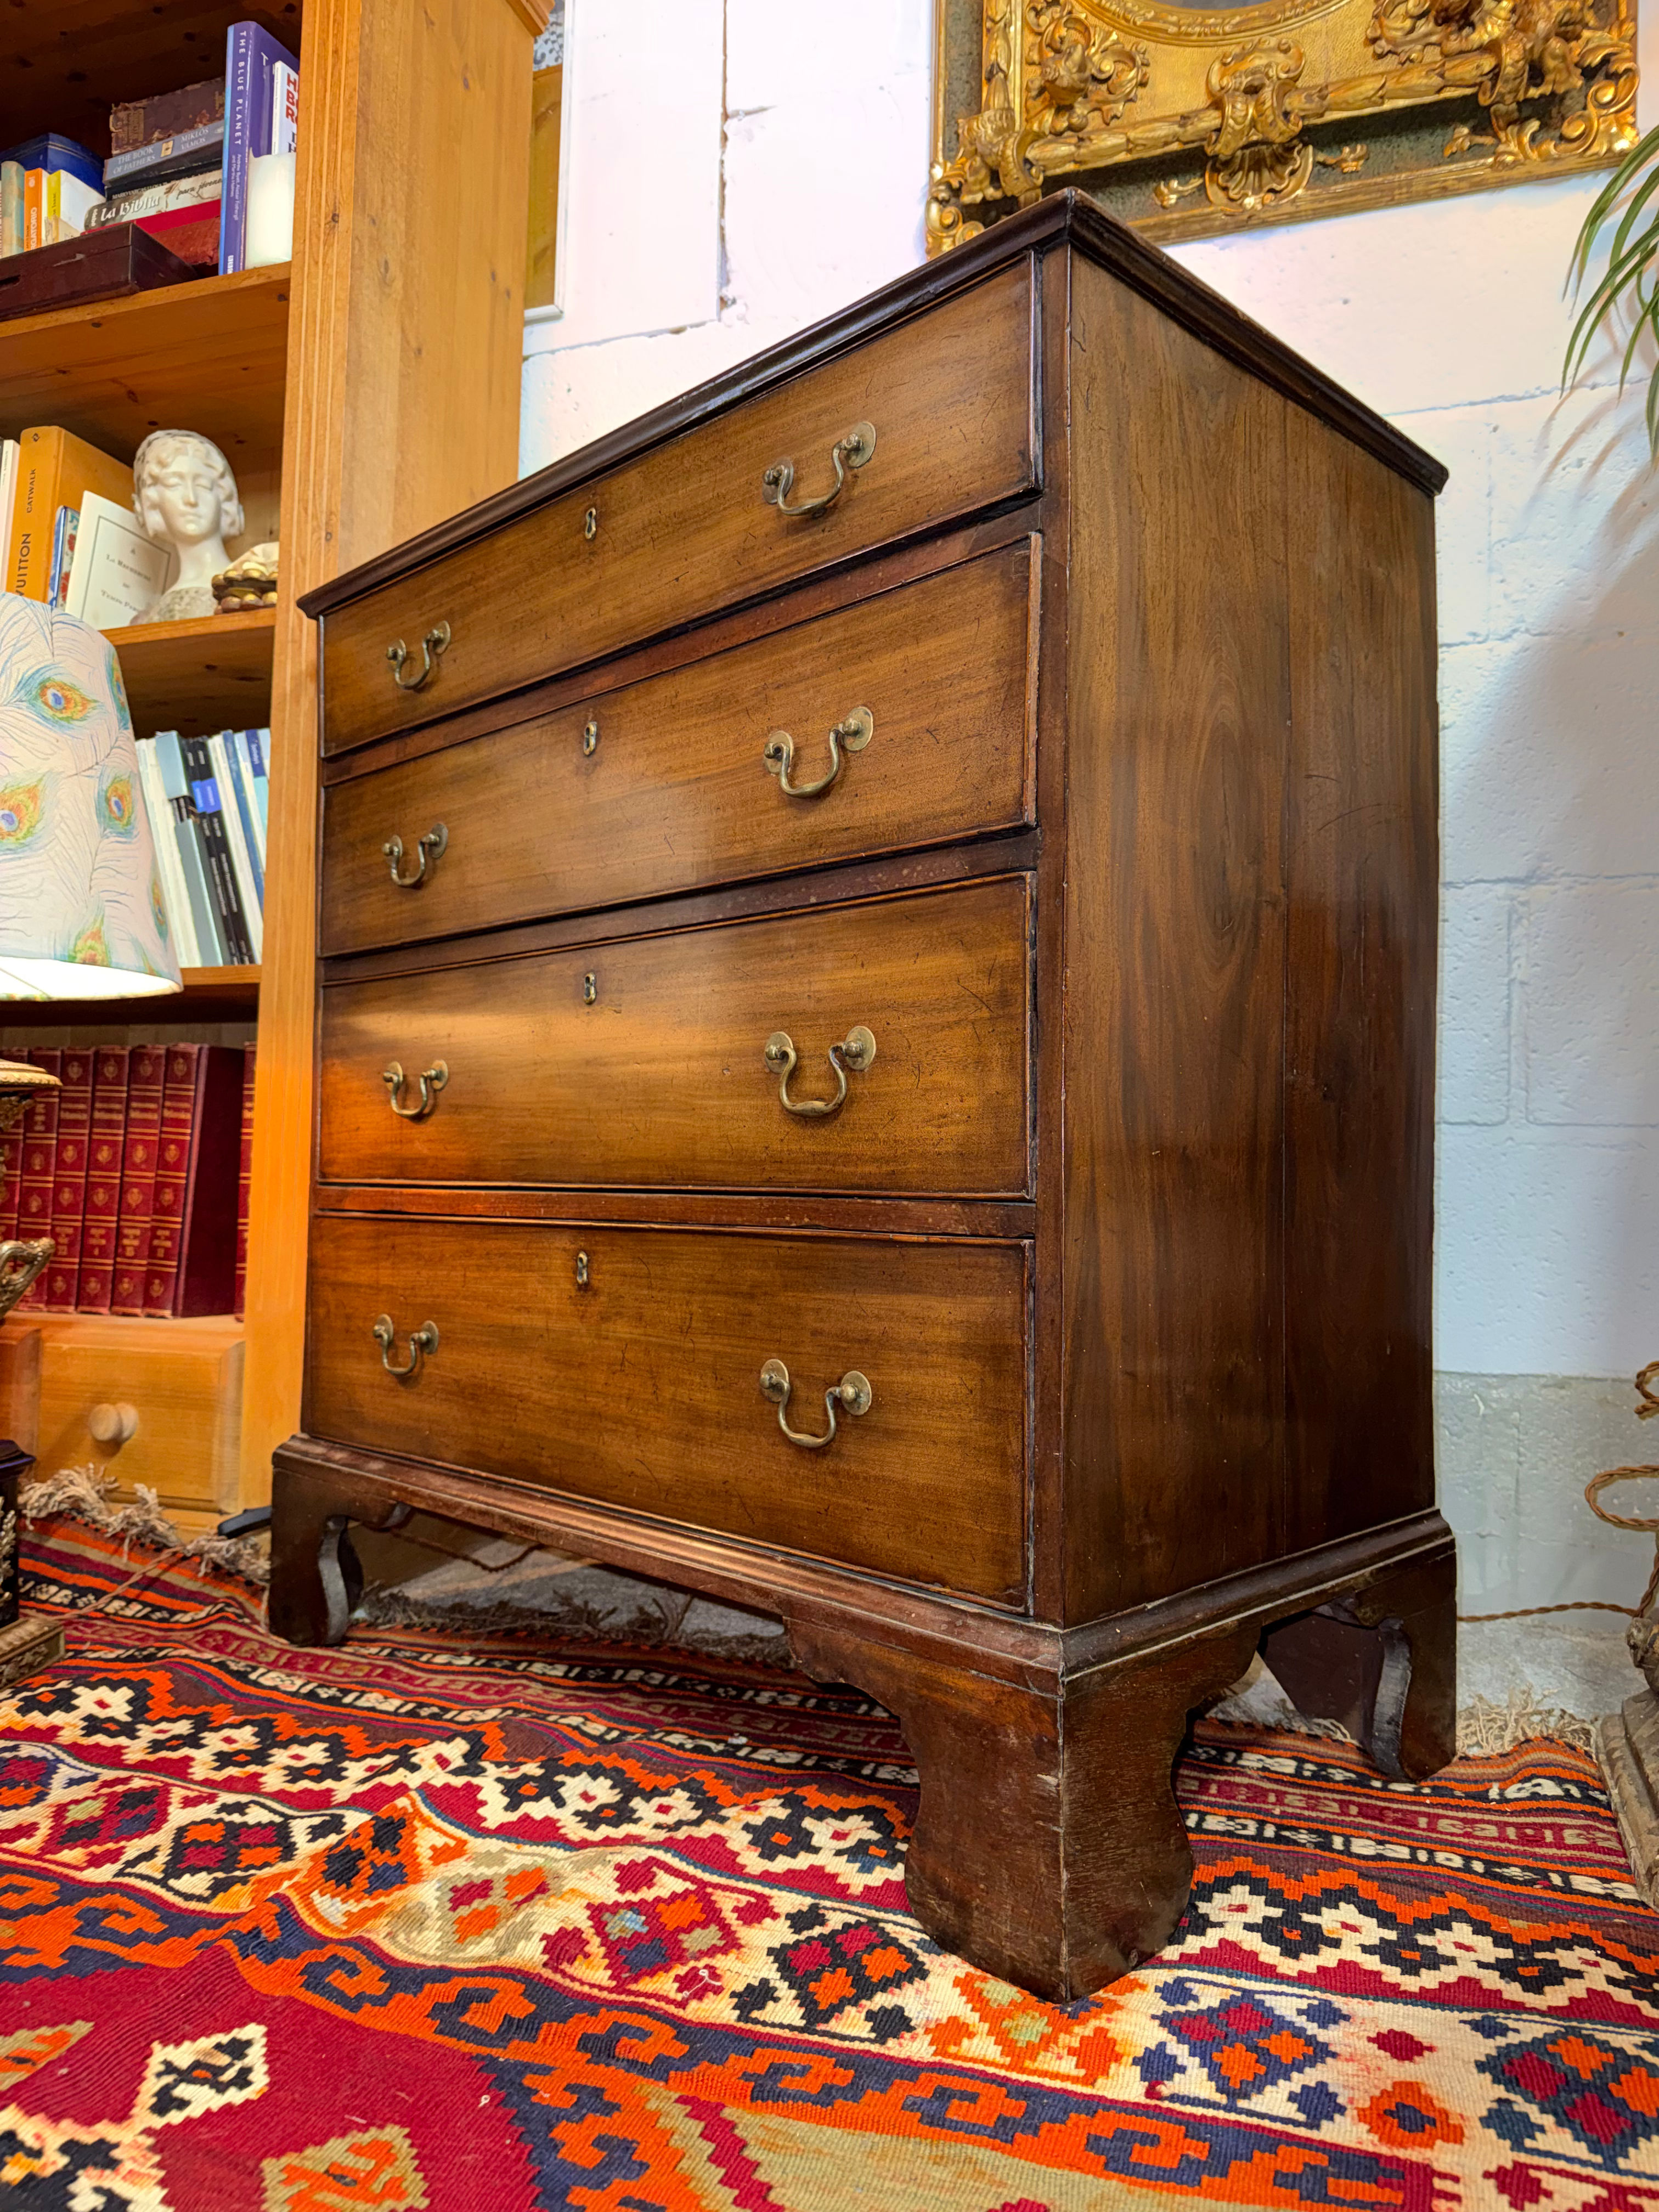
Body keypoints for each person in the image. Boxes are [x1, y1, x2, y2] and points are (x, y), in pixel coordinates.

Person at [130, 429, 243, 623]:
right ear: (153, 501)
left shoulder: (248, 593)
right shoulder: (152, 616)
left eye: (202, 485)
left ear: (223, 496)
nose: (191, 499)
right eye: (174, 484)